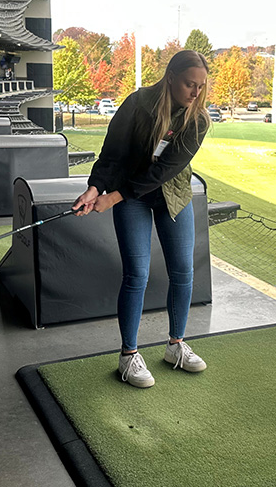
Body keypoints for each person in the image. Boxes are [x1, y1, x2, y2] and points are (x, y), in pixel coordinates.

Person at [72, 50, 211, 389]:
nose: (195, 93)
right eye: (189, 84)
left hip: (171, 194)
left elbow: (165, 170)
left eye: (201, 86)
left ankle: (175, 345)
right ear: (170, 78)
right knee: (137, 273)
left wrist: (112, 197)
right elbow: (112, 154)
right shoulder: (137, 103)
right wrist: (94, 189)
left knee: (183, 271)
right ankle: (128, 355)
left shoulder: (199, 119)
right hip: (130, 196)